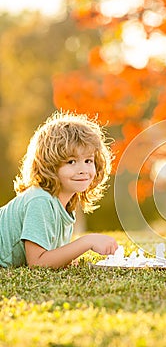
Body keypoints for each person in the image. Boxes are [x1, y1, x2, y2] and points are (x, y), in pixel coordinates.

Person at [0, 112, 119, 269]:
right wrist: (87, 241)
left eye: (88, 160)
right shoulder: (40, 200)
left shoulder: (65, 204)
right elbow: (37, 263)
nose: (83, 169)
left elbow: (50, 254)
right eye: (71, 161)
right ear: (49, 165)